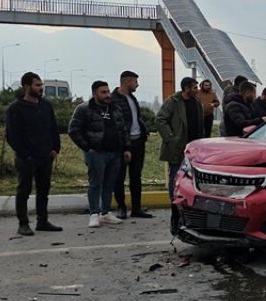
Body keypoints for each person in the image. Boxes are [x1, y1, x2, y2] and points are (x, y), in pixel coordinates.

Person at [5, 72, 62, 235]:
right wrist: (25, 154)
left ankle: (42, 221)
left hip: (45, 156)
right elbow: (12, 135)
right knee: (24, 190)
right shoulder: (15, 109)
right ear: (26, 87)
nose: (41, 88)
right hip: (26, 159)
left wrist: (55, 148)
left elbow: (53, 128)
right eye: (37, 85)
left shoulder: (45, 106)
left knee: (44, 190)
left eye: (41, 85)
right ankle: (23, 224)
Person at [69, 80, 129, 228]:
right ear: (95, 93)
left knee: (109, 184)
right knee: (95, 184)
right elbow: (73, 130)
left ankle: (105, 212)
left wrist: (126, 148)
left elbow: (123, 130)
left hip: (114, 153)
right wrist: (87, 146)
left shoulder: (115, 109)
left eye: (108, 91)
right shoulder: (84, 109)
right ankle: (94, 214)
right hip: (96, 153)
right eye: (103, 92)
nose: (107, 95)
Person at [110, 70, 153, 219]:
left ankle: (137, 208)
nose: (137, 85)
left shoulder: (132, 98)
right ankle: (121, 207)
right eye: (135, 82)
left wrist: (144, 130)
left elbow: (136, 118)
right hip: (122, 144)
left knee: (136, 176)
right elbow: (117, 124)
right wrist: (124, 145)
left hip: (138, 142)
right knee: (119, 176)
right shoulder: (113, 100)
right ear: (127, 82)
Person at [157, 77, 205, 199]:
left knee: (192, 177)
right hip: (177, 147)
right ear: (186, 88)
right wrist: (171, 138)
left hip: (194, 148)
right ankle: (174, 203)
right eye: (194, 87)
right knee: (175, 175)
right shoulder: (173, 102)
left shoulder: (197, 102)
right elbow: (160, 120)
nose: (197, 90)